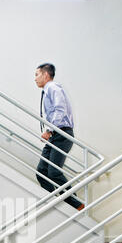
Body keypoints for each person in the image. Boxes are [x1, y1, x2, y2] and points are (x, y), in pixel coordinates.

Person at [35, 63, 84, 211]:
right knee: (42, 171)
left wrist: (49, 130)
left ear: (45, 75)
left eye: (37, 74)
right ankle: (60, 203)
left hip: (62, 134)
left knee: (54, 172)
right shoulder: (47, 90)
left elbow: (60, 108)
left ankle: (77, 205)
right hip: (55, 136)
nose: (35, 78)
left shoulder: (53, 88)